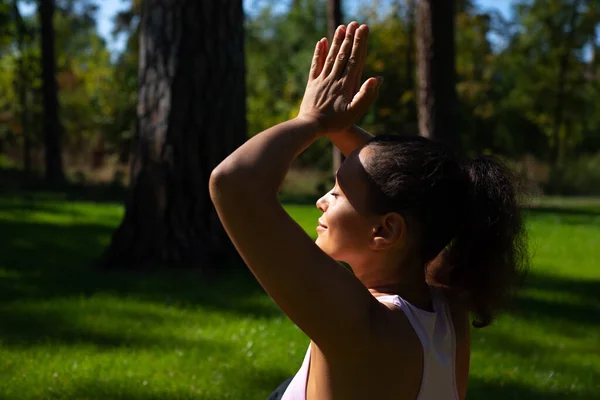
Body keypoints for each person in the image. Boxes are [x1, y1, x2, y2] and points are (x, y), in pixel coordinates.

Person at [209, 21, 528, 400]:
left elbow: (234, 183)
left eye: (338, 192)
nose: (321, 200)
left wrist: (313, 122)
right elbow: (423, 193)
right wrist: (335, 126)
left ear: (386, 231)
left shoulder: (359, 326)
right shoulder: (445, 306)